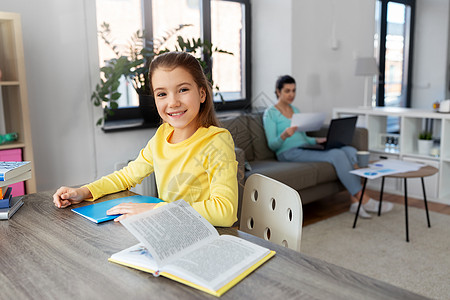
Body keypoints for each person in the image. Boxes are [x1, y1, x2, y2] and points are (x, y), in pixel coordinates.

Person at [53, 52, 238, 227]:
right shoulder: (162, 135)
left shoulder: (217, 141)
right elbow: (127, 176)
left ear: (202, 94)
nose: (173, 102)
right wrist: (83, 192)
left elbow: (225, 211)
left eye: (183, 90)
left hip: (207, 237)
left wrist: (156, 210)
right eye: (162, 94)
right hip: (172, 231)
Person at [263, 75, 392, 218]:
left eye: (294, 90)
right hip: (287, 153)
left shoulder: (296, 110)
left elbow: (304, 138)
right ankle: (363, 198)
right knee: (336, 154)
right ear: (278, 91)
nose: (291, 94)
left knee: (350, 150)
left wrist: (318, 140)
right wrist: (285, 135)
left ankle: (354, 202)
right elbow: (272, 145)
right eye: (287, 91)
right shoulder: (270, 113)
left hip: (304, 147)